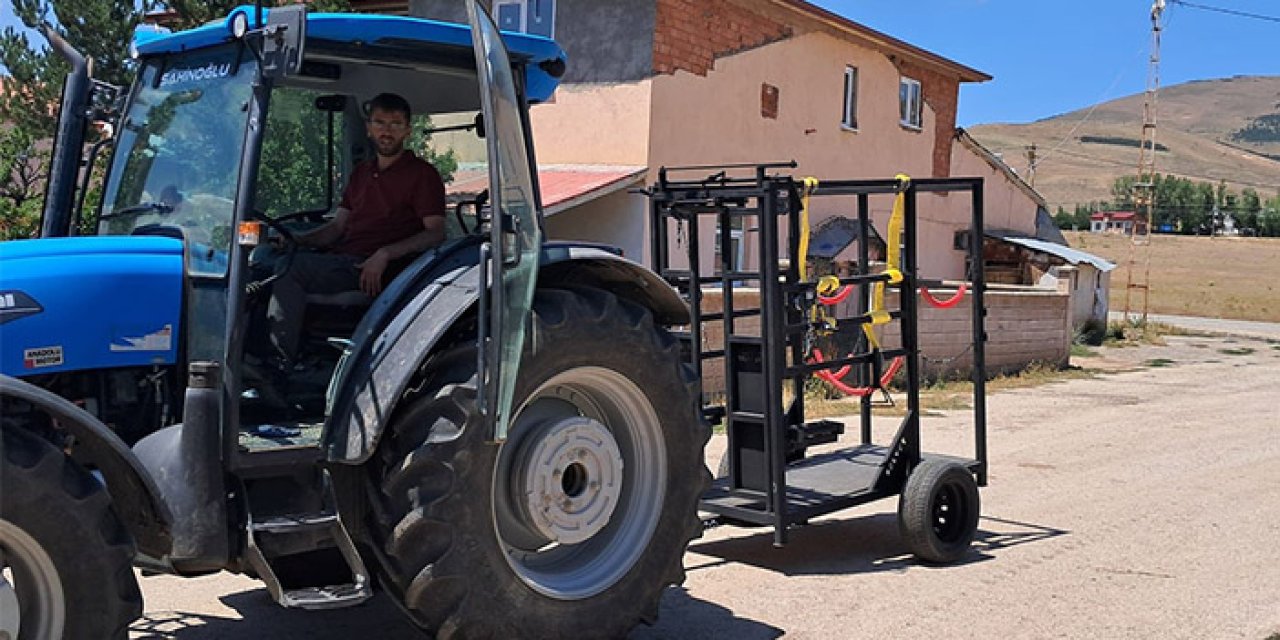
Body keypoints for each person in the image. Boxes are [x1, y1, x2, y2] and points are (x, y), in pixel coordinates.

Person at [267, 92, 446, 364]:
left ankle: (278, 364)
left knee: (291, 270)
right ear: (369, 128)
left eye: (395, 124)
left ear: (408, 130)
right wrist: (297, 240)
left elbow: (435, 232)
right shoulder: (361, 173)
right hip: (344, 260)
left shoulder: (422, 175)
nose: (386, 131)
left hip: (377, 270)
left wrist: (385, 253)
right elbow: (337, 227)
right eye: (380, 123)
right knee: (265, 262)